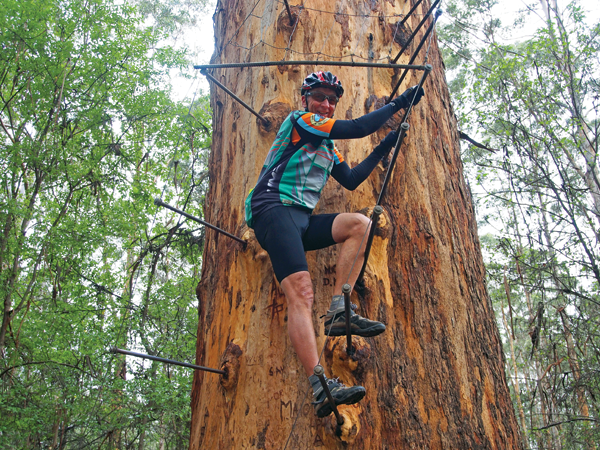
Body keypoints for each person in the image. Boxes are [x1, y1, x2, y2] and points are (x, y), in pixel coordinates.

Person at [245, 71, 424, 418]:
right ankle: (320, 386)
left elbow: (352, 179)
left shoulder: (328, 147)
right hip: (272, 207)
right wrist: (400, 103)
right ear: (306, 100)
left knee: (361, 224)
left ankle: (340, 311)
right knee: (301, 292)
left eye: (331, 100)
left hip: (301, 219)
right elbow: (357, 126)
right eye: (320, 97)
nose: (326, 105)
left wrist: (386, 146)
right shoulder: (302, 122)